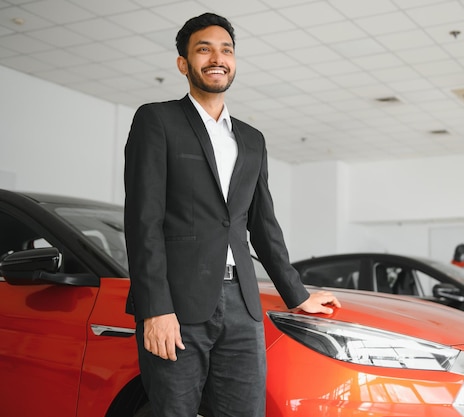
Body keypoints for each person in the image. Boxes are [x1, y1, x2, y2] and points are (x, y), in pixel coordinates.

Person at [123, 12, 341, 417]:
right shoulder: (157, 120)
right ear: (184, 64)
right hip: (177, 304)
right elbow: (142, 222)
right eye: (204, 49)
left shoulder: (252, 139)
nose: (217, 58)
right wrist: (155, 309)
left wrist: (299, 294)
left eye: (226, 50)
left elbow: (263, 225)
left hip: (242, 305)